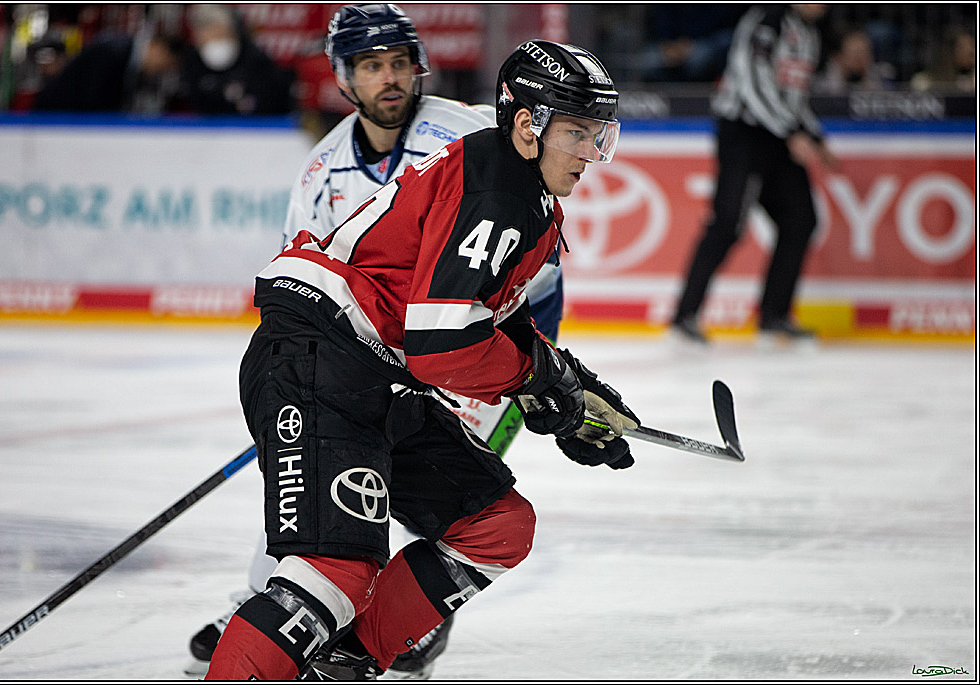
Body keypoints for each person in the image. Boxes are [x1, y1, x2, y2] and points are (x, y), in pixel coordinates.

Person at [204, 38, 638, 681]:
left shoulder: (521, 189)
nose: (589, 151)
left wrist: (568, 385)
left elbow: (484, 315)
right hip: (319, 357)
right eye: (576, 132)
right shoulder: (498, 189)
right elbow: (444, 346)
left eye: (597, 133)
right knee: (335, 572)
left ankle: (347, 663)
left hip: (372, 375)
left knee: (497, 526)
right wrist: (538, 382)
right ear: (528, 124)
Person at [670, 4, 838, 346]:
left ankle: (774, 316)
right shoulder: (766, 20)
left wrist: (815, 136)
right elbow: (753, 83)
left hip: (778, 137)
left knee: (801, 220)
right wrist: (794, 132)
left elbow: (794, 95)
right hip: (744, 134)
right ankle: (685, 315)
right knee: (728, 223)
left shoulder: (810, 33)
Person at [32, 27, 182, 112]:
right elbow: (93, 98)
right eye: (168, 63)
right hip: (54, 116)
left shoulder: (128, 60)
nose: (163, 70)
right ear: (159, 49)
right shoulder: (114, 53)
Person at [178, 4, 292, 115]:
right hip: (208, 127)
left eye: (218, 32)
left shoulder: (255, 59)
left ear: (231, 31)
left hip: (254, 125)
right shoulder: (192, 61)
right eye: (206, 32)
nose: (213, 37)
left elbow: (272, 101)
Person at [814, 28, 893, 95]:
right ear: (837, 57)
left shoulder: (882, 79)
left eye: (865, 52)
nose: (860, 58)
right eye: (855, 53)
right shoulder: (820, 87)